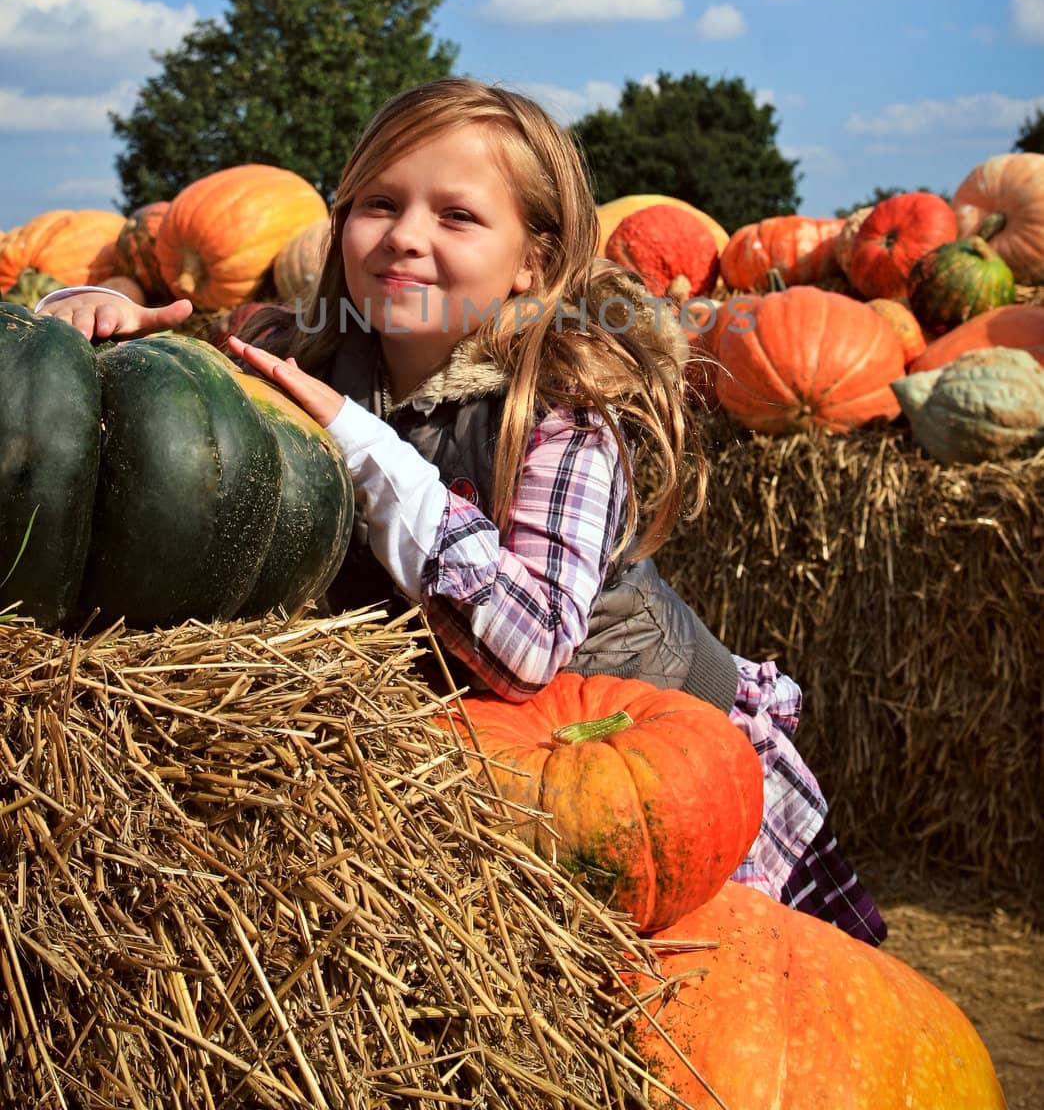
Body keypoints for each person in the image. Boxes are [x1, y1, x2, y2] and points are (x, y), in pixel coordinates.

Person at [38, 77, 885, 945]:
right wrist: (81, 328)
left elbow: (528, 651)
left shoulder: (565, 408)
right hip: (466, 781)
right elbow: (162, 447)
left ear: (536, 262)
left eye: (457, 216)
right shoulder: (307, 359)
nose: (405, 237)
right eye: (379, 203)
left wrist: (364, 449)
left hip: (642, 773)